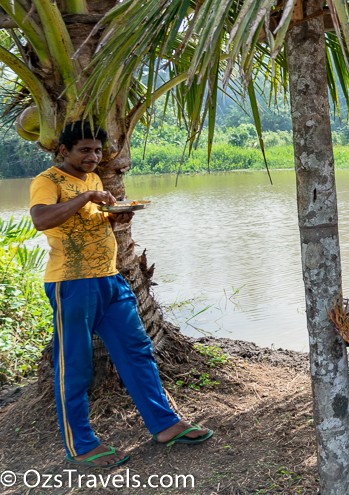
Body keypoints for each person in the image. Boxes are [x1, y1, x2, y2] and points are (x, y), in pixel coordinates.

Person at [29, 121, 212, 468]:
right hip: (71, 284)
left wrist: (116, 218)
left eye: (97, 151)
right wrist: (86, 197)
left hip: (110, 279)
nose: (93, 157)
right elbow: (41, 219)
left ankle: (165, 425)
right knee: (75, 366)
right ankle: (81, 445)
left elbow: (90, 224)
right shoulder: (48, 180)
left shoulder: (94, 180)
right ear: (64, 150)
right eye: (84, 150)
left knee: (137, 351)